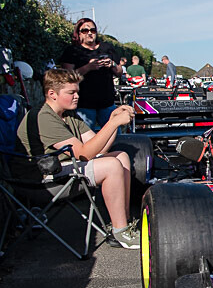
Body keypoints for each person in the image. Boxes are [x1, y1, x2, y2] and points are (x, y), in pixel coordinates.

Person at [15, 68, 139, 249]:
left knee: (120, 156)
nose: (76, 96)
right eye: (71, 92)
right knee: (111, 165)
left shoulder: (67, 115)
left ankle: (123, 225)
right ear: (52, 94)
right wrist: (114, 123)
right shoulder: (43, 118)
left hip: (60, 169)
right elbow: (84, 153)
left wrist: (111, 121)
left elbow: (100, 148)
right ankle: (121, 233)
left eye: (77, 92)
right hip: (40, 181)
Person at [59, 18, 124, 131]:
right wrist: (88, 67)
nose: (89, 33)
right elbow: (67, 77)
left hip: (107, 103)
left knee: (116, 138)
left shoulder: (107, 48)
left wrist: (112, 64)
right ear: (78, 33)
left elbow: (119, 72)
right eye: (85, 30)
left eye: (92, 30)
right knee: (86, 141)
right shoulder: (73, 51)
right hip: (84, 104)